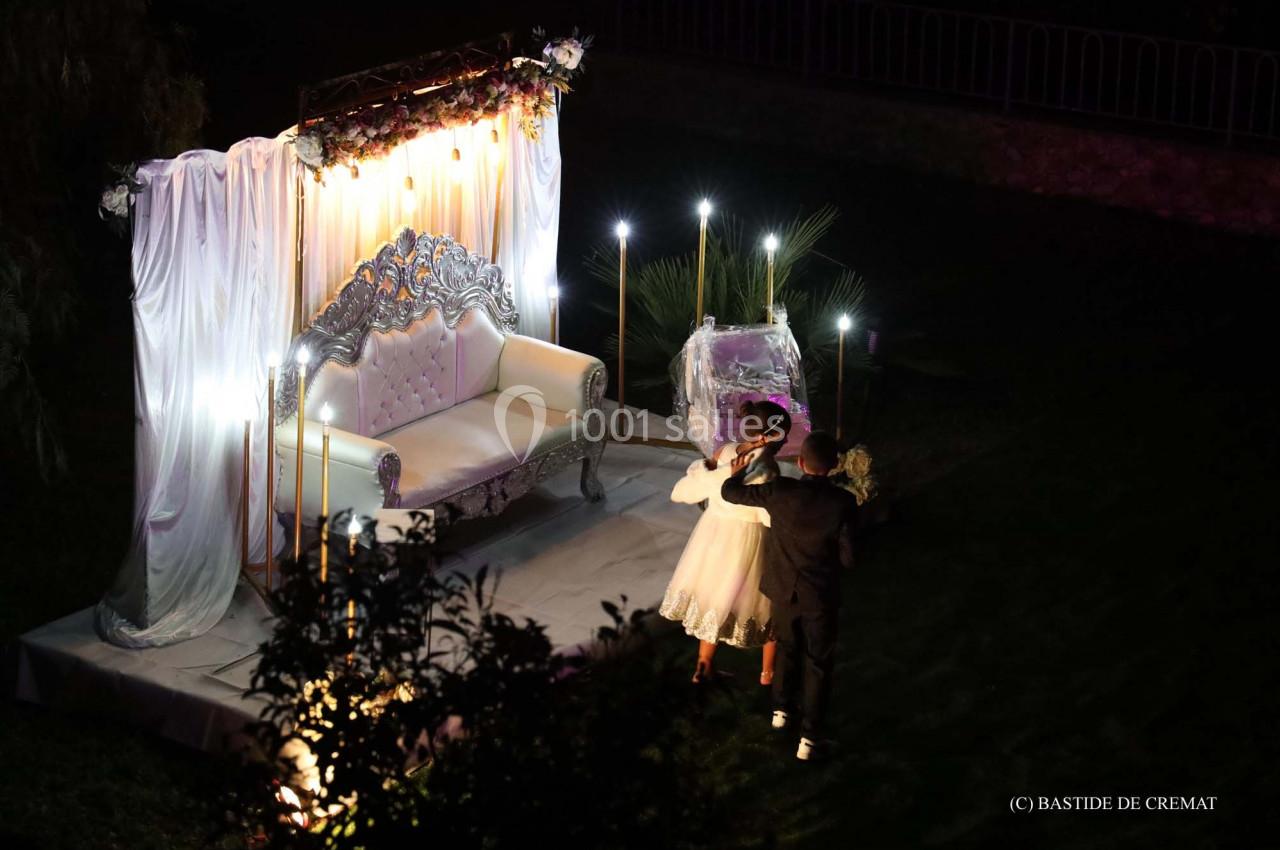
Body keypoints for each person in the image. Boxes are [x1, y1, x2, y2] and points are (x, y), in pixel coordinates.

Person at [722, 431, 856, 761]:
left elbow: (731, 492)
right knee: (818, 662)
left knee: (787, 649)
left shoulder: (781, 491)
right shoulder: (842, 503)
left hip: (783, 589)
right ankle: (809, 738)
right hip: (819, 595)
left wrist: (737, 471)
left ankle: (781, 712)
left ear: (800, 462)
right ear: (835, 465)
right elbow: (850, 556)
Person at [660, 401, 791, 684]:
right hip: (748, 537)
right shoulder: (767, 468)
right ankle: (767, 673)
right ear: (770, 436)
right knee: (767, 602)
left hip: (713, 533)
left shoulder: (727, 451)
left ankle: (703, 663)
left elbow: (708, 479)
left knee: (715, 592)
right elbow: (767, 513)